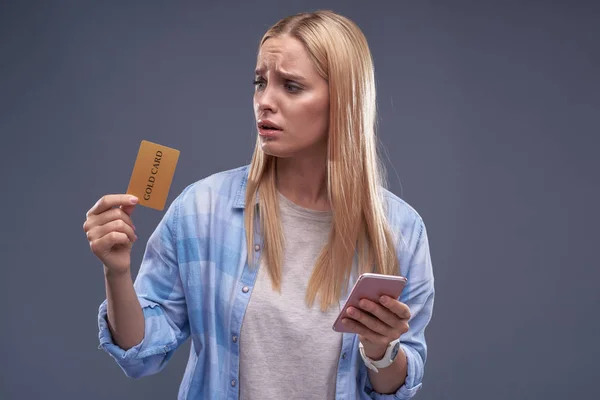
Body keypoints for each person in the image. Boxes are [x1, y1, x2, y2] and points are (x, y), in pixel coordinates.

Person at [83, 9, 434, 400]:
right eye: (260, 82)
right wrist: (117, 273)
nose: (264, 101)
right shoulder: (201, 210)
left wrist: (381, 350)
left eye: (291, 86)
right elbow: (141, 354)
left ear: (343, 99)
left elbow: (394, 390)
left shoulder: (400, 231)